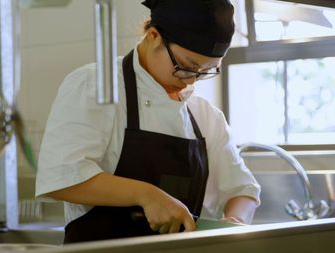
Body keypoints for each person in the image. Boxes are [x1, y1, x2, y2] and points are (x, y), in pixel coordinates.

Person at [35, 0, 261, 244]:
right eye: (186, 67)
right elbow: (61, 178)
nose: (191, 81)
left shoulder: (205, 115)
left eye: (206, 71)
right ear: (153, 36)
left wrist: (234, 222)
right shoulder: (97, 85)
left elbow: (242, 190)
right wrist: (146, 195)